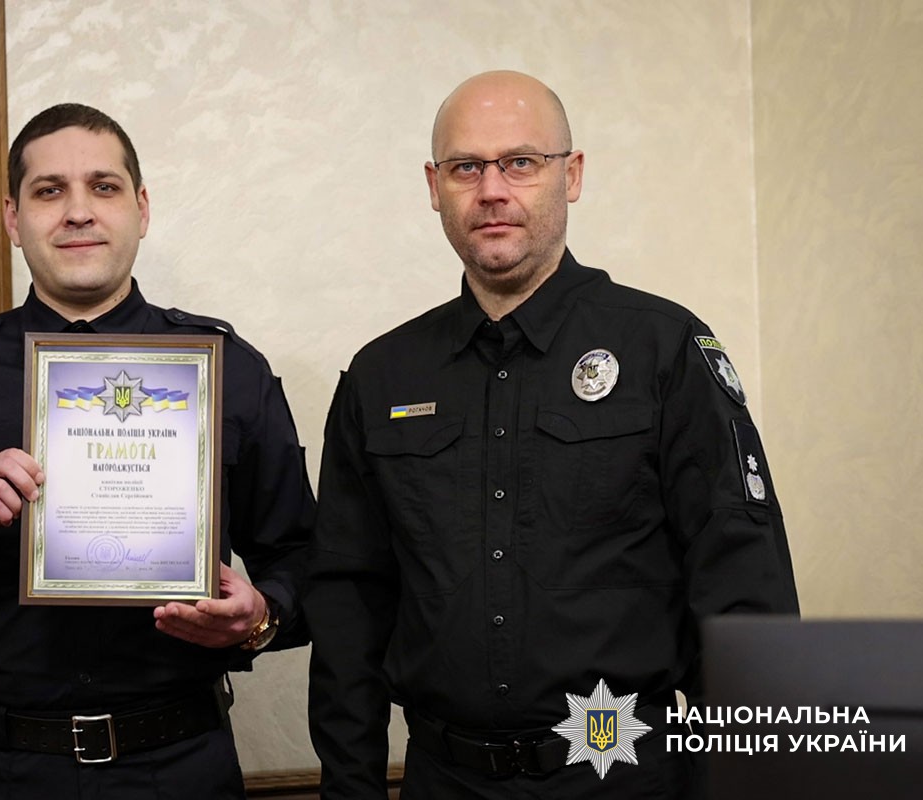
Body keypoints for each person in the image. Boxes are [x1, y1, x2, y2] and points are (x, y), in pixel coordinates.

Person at [305, 71, 799, 799]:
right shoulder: (382, 377)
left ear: (571, 175)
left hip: (625, 776)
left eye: (521, 162)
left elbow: (743, 594)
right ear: (434, 186)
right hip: (445, 781)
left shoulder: (663, 349)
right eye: (465, 167)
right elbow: (350, 611)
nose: (491, 190)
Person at [0, 103, 316, 799]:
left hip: (179, 766)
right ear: (13, 219)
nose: (78, 211)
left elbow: (311, 564)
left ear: (141, 209)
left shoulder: (229, 371)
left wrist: (260, 616)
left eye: (103, 187)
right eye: (49, 191)